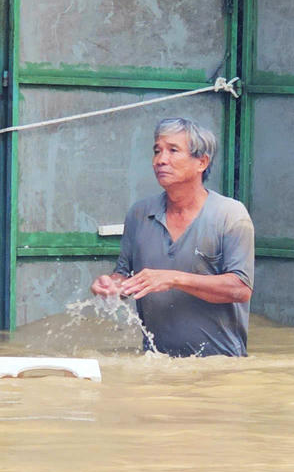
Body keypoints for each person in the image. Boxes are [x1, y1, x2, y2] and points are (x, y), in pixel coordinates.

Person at [90, 117, 254, 357]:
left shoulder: (230, 215)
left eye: (173, 151)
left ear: (202, 162)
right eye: (157, 151)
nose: (160, 160)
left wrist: (174, 279)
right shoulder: (139, 214)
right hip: (156, 364)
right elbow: (124, 277)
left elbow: (240, 289)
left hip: (220, 369)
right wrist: (110, 286)